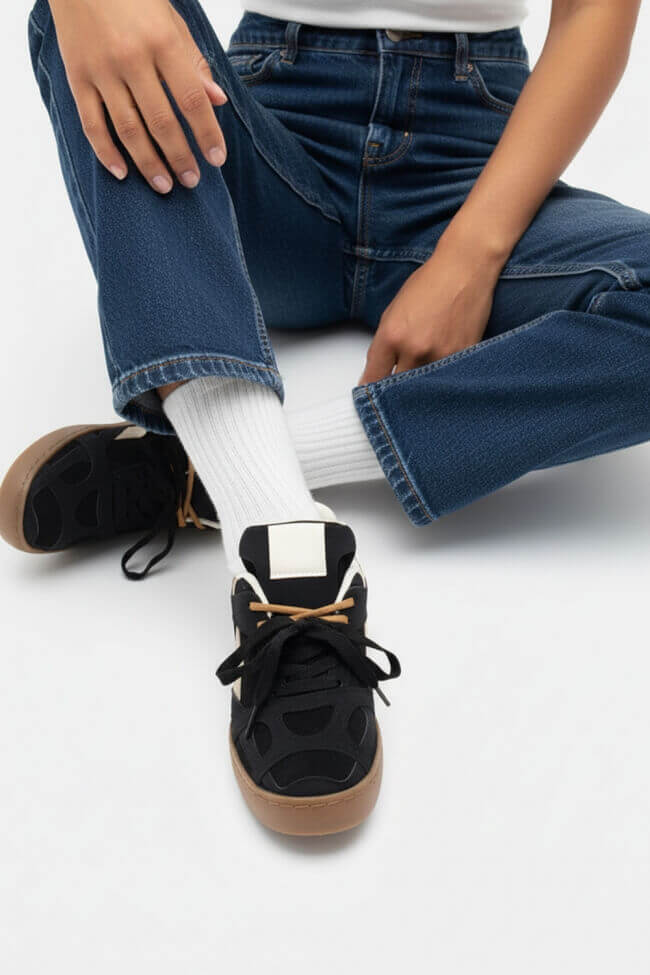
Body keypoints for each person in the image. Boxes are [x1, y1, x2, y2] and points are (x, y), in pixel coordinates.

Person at [1, 0, 648, 835]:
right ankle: (282, 550)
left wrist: (469, 256)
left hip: (475, 169)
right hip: (262, 143)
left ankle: (217, 462)